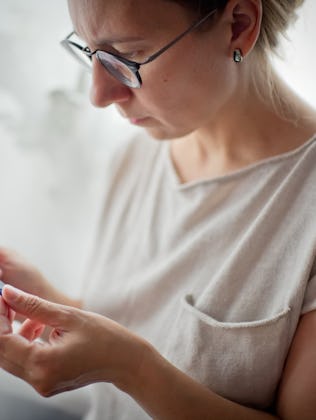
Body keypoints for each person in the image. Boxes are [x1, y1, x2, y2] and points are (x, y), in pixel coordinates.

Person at [0, 0, 316, 418]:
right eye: (90, 51)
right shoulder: (137, 154)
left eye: (128, 57)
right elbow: (148, 323)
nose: (99, 95)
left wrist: (129, 368)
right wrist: (49, 302)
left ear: (239, 26)